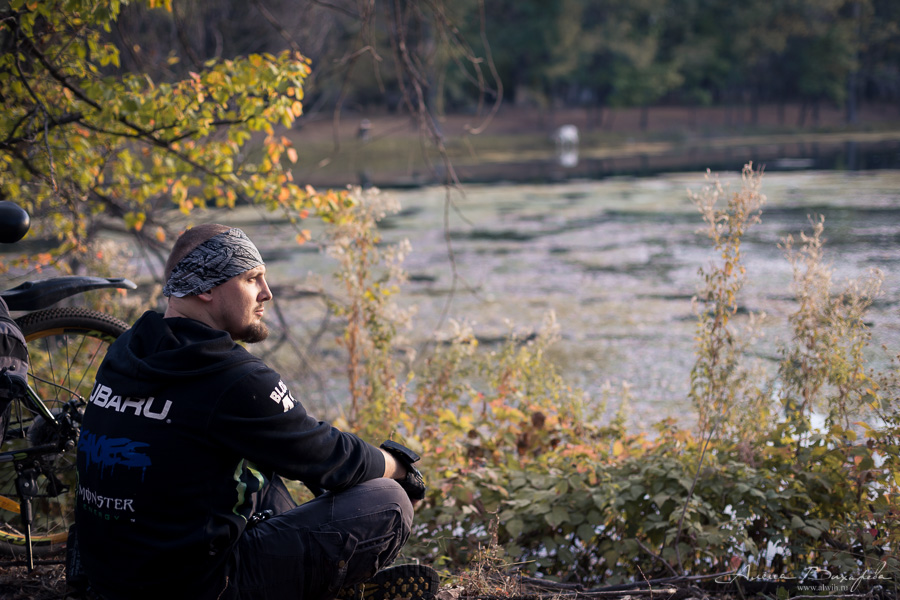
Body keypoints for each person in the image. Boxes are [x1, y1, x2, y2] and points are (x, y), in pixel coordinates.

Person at [74, 224, 436, 600]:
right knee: (388, 500)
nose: (267, 292)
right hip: (199, 588)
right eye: (251, 279)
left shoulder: (126, 350)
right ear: (206, 288)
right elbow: (327, 455)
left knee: (259, 468)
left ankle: (314, 576)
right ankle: (326, 586)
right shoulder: (230, 376)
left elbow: (300, 449)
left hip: (109, 580)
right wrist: (399, 466)